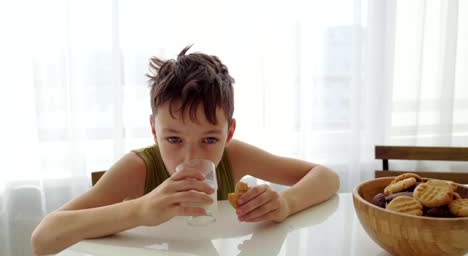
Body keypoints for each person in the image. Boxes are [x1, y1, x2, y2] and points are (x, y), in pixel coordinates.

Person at [31, 45, 340, 255]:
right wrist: (140, 210)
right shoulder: (138, 168)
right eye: (174, 140)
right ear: (154, 131)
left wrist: (285, 203)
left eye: (209, 140)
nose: (192, 160)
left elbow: (326, 177)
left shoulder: (235, 157)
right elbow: (43, 237)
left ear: (228, 133)